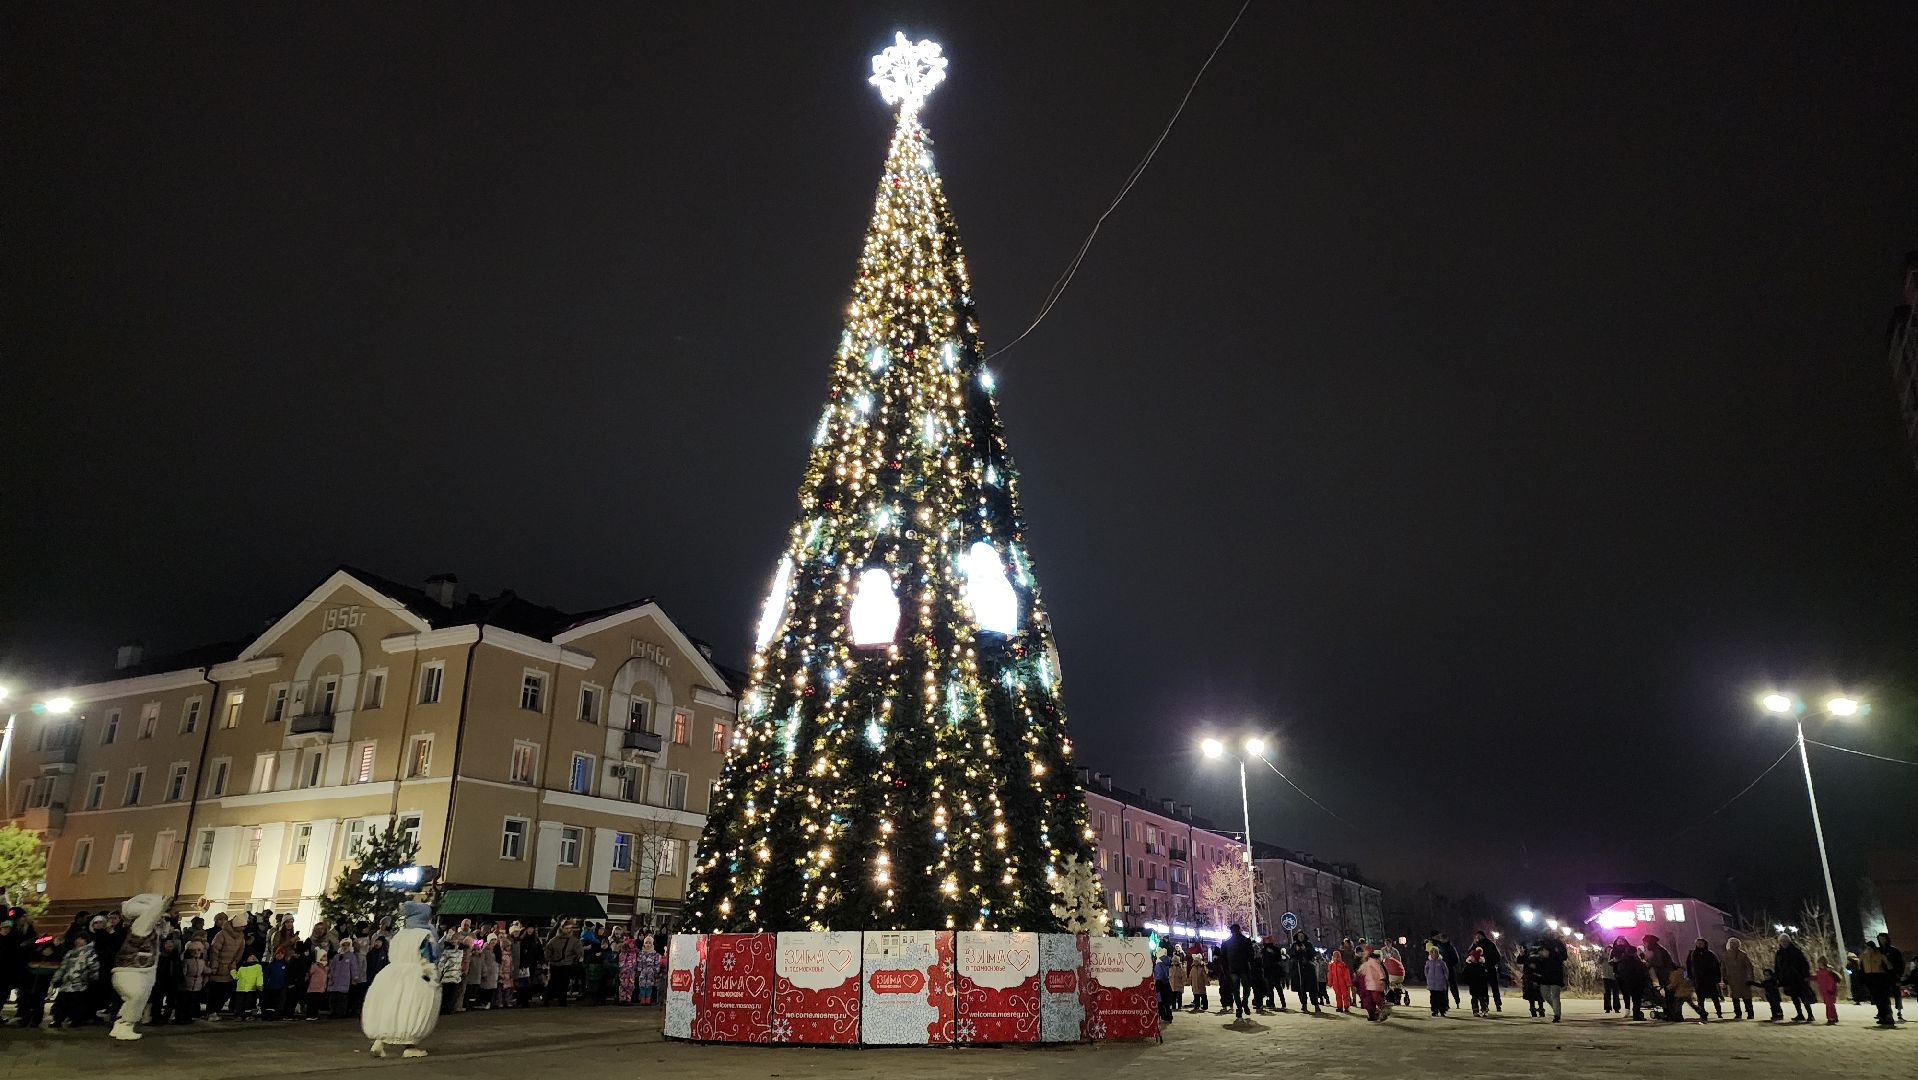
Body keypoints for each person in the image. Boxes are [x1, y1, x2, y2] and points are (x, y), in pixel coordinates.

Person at [50, 931, 100, 1028]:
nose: (78, 941)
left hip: (80, 983)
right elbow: (63, 966)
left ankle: (75, 1020)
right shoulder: (70, 952)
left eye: (81, 939)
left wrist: (91, 978)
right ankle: (57, 1020)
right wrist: (56, 977)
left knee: (77, 1003)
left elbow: (94, 966)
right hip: (67, 982)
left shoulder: (90, 952)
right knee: (61, 1002)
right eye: (77, 939)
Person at [206, 912, 245, 1020]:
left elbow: (240, 951)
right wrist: (214, 965)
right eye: (242, 925)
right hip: (218, 967)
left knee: (226, 991)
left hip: (230, 968)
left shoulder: (241, 936)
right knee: (215, 991)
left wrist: (234, 962)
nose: (243, 928)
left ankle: (215, 1011)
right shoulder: (221, 934)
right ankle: (211, 1012)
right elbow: (214, 950)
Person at [1774, 933, 1813, 1022]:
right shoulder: (1779, 953)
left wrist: (1805, 975)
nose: (1783, 943)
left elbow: (1804, 964)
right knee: (1794, 997)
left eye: (1785, 941)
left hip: (1798, 978)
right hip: (1787, 979)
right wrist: (1778, 978)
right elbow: (1777, 966)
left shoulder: (1796, 951)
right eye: (1782, 941)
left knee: (1803, 997)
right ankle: (1800, 1014)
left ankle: (1810, 1015)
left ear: (1789, 941)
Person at [543, 920, 583, 1006]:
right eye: (566, 928)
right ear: (562, 928)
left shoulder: (574, 941)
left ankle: (561, 1001)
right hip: (555, 965)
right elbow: (547, 952)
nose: (568, 930)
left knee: (564, 984)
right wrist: (549, 959)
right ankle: (548, 999)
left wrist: (576, 959)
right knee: (552, 983)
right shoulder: (554, 940)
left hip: (566, 965)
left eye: (570, 928)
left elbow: (580, 953)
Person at [1859, 939, 1896, 1027]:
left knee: (1883, 998)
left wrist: (1890, 975)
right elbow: (1860, 967)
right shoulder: (1863, 955)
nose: (1868, 950)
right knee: (1876, 998)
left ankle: (1888, 1016)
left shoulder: (1879, 954)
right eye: (1867, 948)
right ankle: (1882, 1016)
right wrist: (1863, 977)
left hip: (1879, 977)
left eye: (1869, 948)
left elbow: (1889, 966)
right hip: (1870, 977)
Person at [1222, 924, 1256, 1020]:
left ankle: (1239, 1008)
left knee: (1235, 990)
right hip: (1244, 968)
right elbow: (1251, 955)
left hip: (1233, 969)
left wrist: (1226, 969)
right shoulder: (1246, 941)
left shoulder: (1226, 943)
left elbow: (1223, 958)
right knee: (1246, 988)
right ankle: (1244, 1003)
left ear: (1231, 931)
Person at [1612, 937, 1650, 1021]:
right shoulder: (1617, 952)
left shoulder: (1631, 950)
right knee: (1633, 994)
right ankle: (1633, 1012)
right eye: (1619, 941)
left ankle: (1635, 1012)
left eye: (1622, 941)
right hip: (1627, 975)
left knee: (1634, 994)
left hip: (1630, 974)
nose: (1620, 942)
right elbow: (1614, 962)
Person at [1686, 937, 1723, 1019]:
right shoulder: (1692, 954)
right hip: (1699, 980)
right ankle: (1702, 1013)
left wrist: (1717, 978)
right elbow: (1689, 966)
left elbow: (1716, 967)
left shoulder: (1710, 954)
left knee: (1714, 997)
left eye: (1701, 943)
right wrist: (1691, 976)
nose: (1699, 945)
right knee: (1700, 998)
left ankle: (1719, 1012)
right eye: (1698, 943)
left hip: (1710, 979)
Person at [1535, 933, 1566, 1022]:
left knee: (1555, 995)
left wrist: (1553, 954)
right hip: (1545, 973)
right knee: (1545, 994)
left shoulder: (1559, 944)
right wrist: (1541, 956)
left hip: (1556, 973)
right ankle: (1556, 1009)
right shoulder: (1543, 943)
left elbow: (1564, 956)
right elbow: (1539, 957)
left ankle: (1557, 1015)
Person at [1286, 931, 1320, 1014]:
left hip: (1309, 969)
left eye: (1302, 936)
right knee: (1301, 988)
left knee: (1312, 988)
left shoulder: (1308, 944)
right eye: (1299, 936)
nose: (1300, 937)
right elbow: (1290, 954)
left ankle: (1316, 1004)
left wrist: (1305, 949)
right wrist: (1296, 950)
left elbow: (1313, 953)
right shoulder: (1294, 945)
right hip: (1298, 970)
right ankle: (1304, 1004)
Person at [1472, 930, 1505, 1013]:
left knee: (1494, 988)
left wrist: (1489, 963)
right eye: (1476, 936)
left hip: (1490, 968)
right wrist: (1473, 944)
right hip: (1481, 969)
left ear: (1482, 936)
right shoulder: (1476, 945)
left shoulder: (1490, 944)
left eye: (1478, 936)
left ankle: (1498, 1004)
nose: (1477, 938)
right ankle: (1485, 1004)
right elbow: (1470, 954)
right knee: (1483, 988)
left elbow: (1497, 956)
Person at [1722, 937, 1754, 1020]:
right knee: (1735, 997)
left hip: (1743, 978)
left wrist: (1750, 978)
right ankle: (1738, 1013)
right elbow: (1723, 967)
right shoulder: (1726, 955)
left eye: (1735, 943)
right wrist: (1724, 977)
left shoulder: (1742, 955)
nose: (1733, 945)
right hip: (1732, 979)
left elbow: (1749, 967)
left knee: (1746, 997)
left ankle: (1750, 1013)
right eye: (1732, 943)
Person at [329, 937, 361, 1018]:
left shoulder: (352, 956)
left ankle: (341, 1013)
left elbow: (354, 968)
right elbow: (332, 967)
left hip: (344, 981)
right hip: (335, 981)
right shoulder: (336, 956)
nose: (345, 947)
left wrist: (355, 978)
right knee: (334, 997)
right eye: (343, 945)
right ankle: (333, 1012)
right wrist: (330, 976)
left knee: (342, 997)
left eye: (347, 945)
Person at [1877, 932, 1905, 1023]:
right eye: (1880, 939)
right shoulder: (1878, 951)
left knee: (1897, 994)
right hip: (1882, 976)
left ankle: (1899, 1012)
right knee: (1884, 995)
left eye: (1883, 939)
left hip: (1893, 975)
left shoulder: (1894, 950)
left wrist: (1899, 974)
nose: (1882, 941)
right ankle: (1887, 1013)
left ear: (1887, 939)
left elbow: (1901, 963)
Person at [1356, 945, 1389, 1021]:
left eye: (1365, 952)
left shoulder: (1372, 960)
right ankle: (1374, 1014)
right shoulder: (1367, 962)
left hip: (1375, 983)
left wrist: (1382, 978)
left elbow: (1379, 969)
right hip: (1370, 984)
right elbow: (1363, 971)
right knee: (1371, 1000)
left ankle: (1383, 1008)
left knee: (1376, 998)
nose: (1364, 953)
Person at [1460, 946, 1493, 1016]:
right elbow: (1464, 974)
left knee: (1482, 999)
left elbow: (1486, 976)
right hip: (1473, 986)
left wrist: (1485, 980)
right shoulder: (1469, 967)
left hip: (1481, 986)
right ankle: (1475, 1011)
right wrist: (1467, 981)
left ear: (1476, 958)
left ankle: (1484, 1010)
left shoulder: (1481, 967)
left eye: (1472, 956)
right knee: (1474, 999)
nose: (1470, 957)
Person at [1257, 935, 1287, 1011]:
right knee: (1273, 989)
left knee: (1275, 988)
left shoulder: (1271, 949)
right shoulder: (1265, 950)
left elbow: (1278, 958)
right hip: (1271, 971)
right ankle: (1274, 1003)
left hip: (1272, 971)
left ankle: (1279, 1003)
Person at [231, 951, 263, 1019]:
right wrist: (232, 971)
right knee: (239, 1002)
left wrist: (259, 985)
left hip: (251, 988)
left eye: (254, 956)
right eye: (250, 956)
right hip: (240, 988)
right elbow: (237, 977)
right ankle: (239, 1015)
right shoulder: (242, 967)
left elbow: (259, 976)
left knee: (249, 1002)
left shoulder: (258, 966)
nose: (252, 957)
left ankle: (248, 1015)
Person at [1815, 960, 1843, 1026]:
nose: (1819, 965)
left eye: (1820, 963)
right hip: (1825, 992)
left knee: (1829, 1006)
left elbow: (1831, 982)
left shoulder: (1828, 972)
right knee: (1830, 1005)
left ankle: (1831, 1018)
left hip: (1829, 992)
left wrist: (1830, 989)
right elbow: (1816, 977)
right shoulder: (1820, 972)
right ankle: (1834, 1017)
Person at [1424, 947, 1450, 1016]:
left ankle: (1442, 1010)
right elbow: (1426, 970)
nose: (1433, 954)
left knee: (1441, 998)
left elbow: (1446, 971)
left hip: (1440, 984)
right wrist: (1428, 977)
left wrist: (1445, 978)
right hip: (1432, 984)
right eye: (1432, 953)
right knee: (1433, 998)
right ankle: (1434, 1010)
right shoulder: (1428, 962)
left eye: (1435, 953)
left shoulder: (1441, 962)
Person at [1153, 949, 1176, 1024]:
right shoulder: (1165, 964)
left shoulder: (1158, 965)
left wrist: (1156, 982)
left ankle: (1164, 1016)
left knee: (1160, 1002)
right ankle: (1169, 1016)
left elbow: (1158, 976)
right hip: (1166, 984)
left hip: (1160, 984)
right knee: (1166, 1003)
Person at [306, 948, 330, 1019]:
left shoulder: (326, 968)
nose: (325, 958)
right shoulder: (315, 966)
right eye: (323, 956)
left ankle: (315, 1014)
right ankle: (309, 1015)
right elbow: (309, 974)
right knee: (311, 1002)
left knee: (317, 1002)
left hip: (321, 988)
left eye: (325, 956)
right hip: (313, 988)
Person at [1326, 947, 1352, 1012]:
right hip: (1335, 983)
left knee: (1345, 995)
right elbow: (1330, 974)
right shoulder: (1331, 965)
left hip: (1342, 983)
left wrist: (1347, 983)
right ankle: (1339, 1007)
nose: (1336, 958)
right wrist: (1330, 982)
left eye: (1337, 956)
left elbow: (1346, 974)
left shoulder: (1343, 965)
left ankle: (1346, 1006)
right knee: (1338, 995)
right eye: (1335, 956)